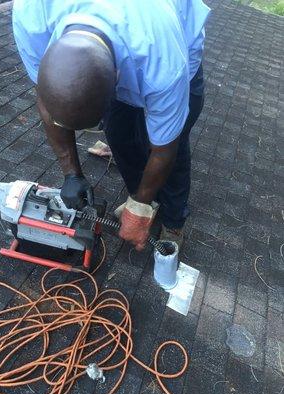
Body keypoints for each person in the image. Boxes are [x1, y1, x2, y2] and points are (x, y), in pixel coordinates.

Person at [13, 0, 210, 251]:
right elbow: (47, 98)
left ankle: (173, 220)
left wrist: (138, 209)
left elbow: (165, 147)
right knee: (119, 132)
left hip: (177, 35)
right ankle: (145, 197)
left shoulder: (165, 65)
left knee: (173, 142)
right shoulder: (31, 15)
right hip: (126, 43)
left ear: (117, 79)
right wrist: (71, 173)